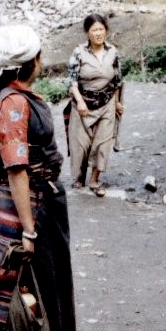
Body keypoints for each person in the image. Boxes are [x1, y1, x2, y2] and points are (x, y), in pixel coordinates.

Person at [0, 24, 75, 331]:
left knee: (46, 281)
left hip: (41, 202)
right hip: (25, 210)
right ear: (32, 61)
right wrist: (29, 232)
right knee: (21, 287)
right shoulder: (13, 104)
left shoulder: (17, 96)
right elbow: (16, 169)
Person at [64, 13, 124, 197]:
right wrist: (80, 101)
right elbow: (71, 80)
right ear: (86, 32)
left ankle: (95, 180)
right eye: (94, 30)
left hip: (106, 103)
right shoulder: (79, 53)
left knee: (103, 143)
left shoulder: (113, 52)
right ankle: (79, 176)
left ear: (106, 30)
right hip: (83, 104)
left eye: (101, 29)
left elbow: (117, 80)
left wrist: (117, 102)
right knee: (81, 143)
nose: (98, 33)